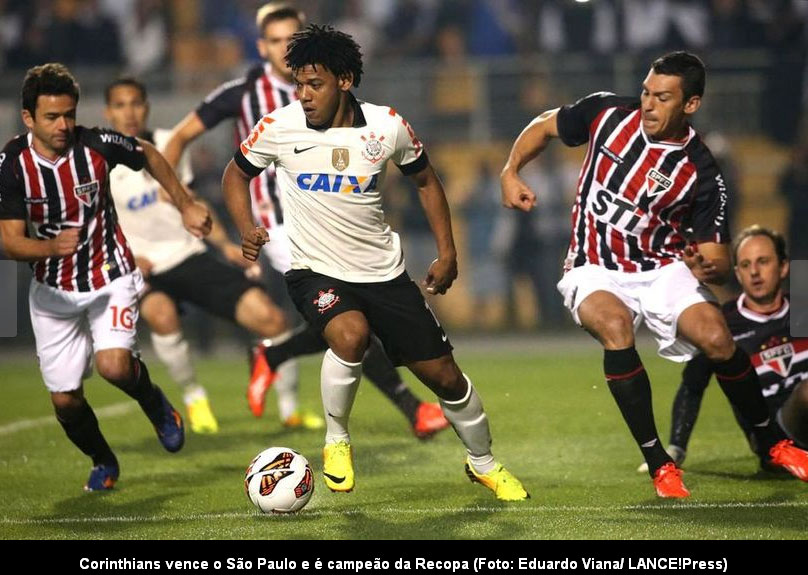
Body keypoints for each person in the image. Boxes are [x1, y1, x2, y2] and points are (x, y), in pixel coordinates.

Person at [223, 24, 528, 500]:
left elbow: (426, 181)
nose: (303, 95)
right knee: (350, 334)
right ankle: (337, 439)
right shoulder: (279, 127)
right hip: (314, 270)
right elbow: (234, 175)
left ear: (344, 80)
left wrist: (448, 253)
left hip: (384, 274)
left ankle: (484, 463)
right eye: (298, 84)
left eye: (314, 84)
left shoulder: (386, 126)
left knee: (446, 378)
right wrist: (246, 228)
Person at [501, 50, 808, 498]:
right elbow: (547, 124)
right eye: (646, 92)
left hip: (662, 267)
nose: (647, 103)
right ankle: (659, 461)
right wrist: (511, 171)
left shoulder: (702, 172)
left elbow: (717, 261)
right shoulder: (607, 113)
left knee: (719, 339)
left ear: (690, 105)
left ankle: (772, 442)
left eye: (662, 97)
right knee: (615, 325)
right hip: (596, 265)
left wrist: (709, 267)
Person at [164, 2, 449, 440]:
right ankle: (411, 408)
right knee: (352, 315)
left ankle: (274, 358)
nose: (283, 50)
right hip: (278, 226)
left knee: (345, 318)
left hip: (329, 218)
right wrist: (181, 199)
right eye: (274, 41)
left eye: (290, 39)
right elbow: (182, 136)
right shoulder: (243, 93)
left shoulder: (325, 87)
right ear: (262, 46)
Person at [0, 63, 211, 491]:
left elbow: (149, 153)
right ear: (28, 118)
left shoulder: (96, 144)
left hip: (110, 274)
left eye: (69, 114)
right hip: (53, 292)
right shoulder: (11, 166)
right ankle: (103, 460)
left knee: (114, 366)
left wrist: (186, 204)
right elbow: (8, 242)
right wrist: (49, 248)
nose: (63, 125)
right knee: (65, 400)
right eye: (51, 117)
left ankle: (157, 406)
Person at [104, 76, 324, 433]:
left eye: (135, 103)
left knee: (272, 319)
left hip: (188, 255)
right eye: (120, 105)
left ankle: (290, 410)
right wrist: (125, 257)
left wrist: (223, 243)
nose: (129, 112)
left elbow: (191, 201)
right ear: (108, 112)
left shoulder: (168, 145)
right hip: (142, 268)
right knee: (161, 316)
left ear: (146, 107)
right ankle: (193, 396)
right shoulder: (100, 160)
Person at [639, 226, 808, 473]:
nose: (755, 272)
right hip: (773, 440)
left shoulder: (802, 308)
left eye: (763, 261)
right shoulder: (724, 324)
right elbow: (692, 387)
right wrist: (676, 448)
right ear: (738, 274)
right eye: (746, 265)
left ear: (783, 267)